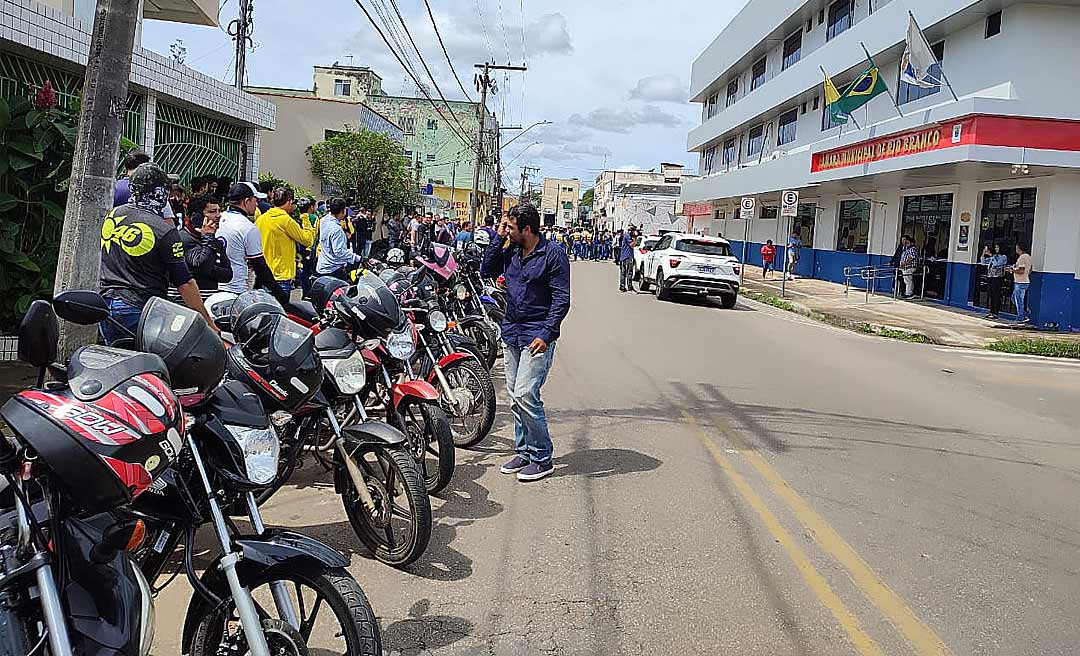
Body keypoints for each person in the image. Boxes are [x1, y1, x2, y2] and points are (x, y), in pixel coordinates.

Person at [481, 204, 570, 482]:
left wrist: (546, 334)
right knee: (514, 397)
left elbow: (561, 299)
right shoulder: (512, 251)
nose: (506, 231)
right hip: (512, 332)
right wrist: (498, 236)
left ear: (527, 229)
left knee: (525, 394)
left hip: (536, 334)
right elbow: (486, 270)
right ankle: (524, 451)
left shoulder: (553, 254)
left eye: (510, 227)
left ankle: (542, 457)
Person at [98, 163, 215, 344]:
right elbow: (185, 283)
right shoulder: (164, 230)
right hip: (140, 310)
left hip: (107, 306)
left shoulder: (113, 215)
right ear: (159, 192)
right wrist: (210, 325)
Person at [217, 182, 290, 305]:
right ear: (246, 201)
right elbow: (260, 266)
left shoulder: (219, 218)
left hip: (215, 286)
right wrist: (280, 294)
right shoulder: (247, 227)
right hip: (235, 289)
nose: (257, 204)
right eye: (255, 200)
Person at [255, 187, 315, 297]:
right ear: (289, 202)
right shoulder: (285, 220)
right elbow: (307, 240)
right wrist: (305, 217)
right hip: (281, 276)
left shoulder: (261, 219)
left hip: (264, 274)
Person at [317, 197, 362, 281]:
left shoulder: (323, 220)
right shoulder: (337, 229)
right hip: (334, 270)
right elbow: (339, 252)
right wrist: (357, 258)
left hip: (322, 266)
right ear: (343, 211)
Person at [980, 244, 1008, 319]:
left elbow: (996, 264)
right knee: (991, 294)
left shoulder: (1003, 257)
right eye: (995, 247)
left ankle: (996, 312)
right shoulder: (993, 257)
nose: (996, 249)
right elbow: (983, 262)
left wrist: (991, 256)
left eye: (998, 247)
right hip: (990, 277)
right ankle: (991, 311)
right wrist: (983, 254)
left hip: (998, 277)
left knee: (996, 295)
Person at [1008, 244, 1032, 323]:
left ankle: (1021, 317)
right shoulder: (1028, 257)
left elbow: (1021, 270)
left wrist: (1012, 270)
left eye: (1016, 248)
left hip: (1020, 282)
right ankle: (1023, 315)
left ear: (1019, 248)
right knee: (1014, 299)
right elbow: (1029, 270)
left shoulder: (1022, 258)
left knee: (1018, 300)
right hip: (1024, 281)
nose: (1016, 249)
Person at [619, 226, 636, 293]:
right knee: (629, 273)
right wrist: (635, 238)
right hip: (627, 257)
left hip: (623, 256)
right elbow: (632, 245)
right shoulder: (628, 236)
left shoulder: (626, 235)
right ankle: (629, 287)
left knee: (623, 273)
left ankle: (622, 287)